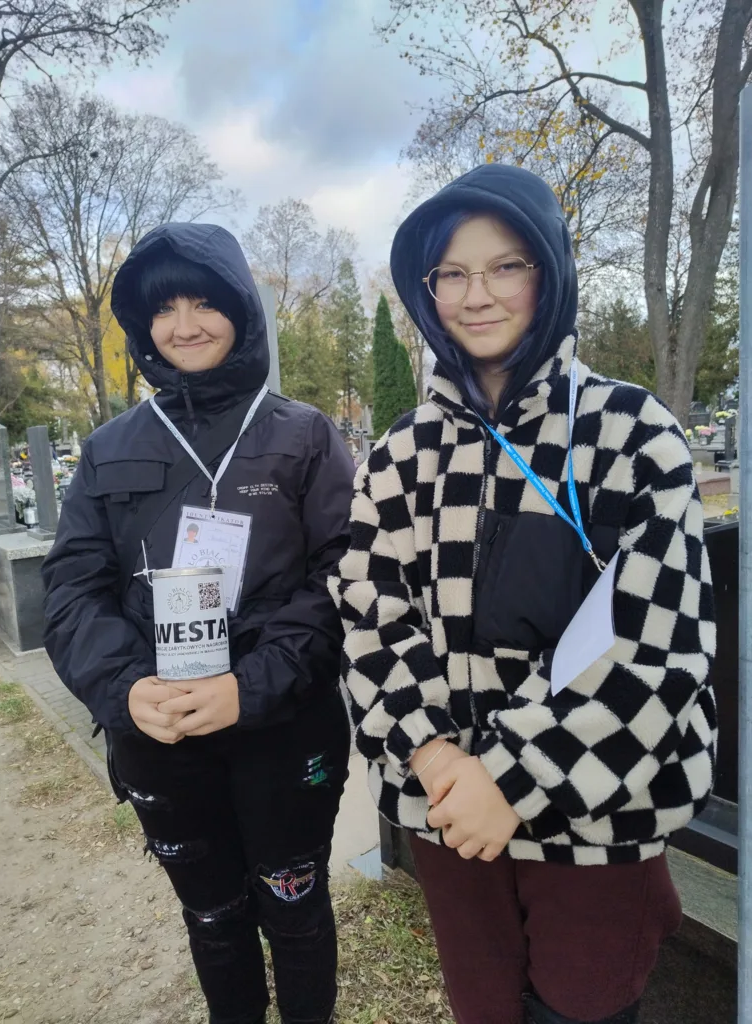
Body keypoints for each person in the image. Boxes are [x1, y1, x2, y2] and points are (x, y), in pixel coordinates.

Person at [329, 165, 716, 1024]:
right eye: (451, 273)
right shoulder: (398, 455)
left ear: (550, 271)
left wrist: (509, 779)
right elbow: (368, 616)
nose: (477, 295)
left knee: (586, 1002)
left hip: (596, 810)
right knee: (484, 1004)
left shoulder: (631, 435)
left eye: (506, 265)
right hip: (447, 811)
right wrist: (438, 759)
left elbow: (656, 644)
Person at [42, 223, 355, 1024]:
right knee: (213, 918)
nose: (183, 325)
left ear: (241, 310)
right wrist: (123, 688)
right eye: (163, 309)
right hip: (163, 733)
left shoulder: (305, 435)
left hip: (283, 729)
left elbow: (343, 577)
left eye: (204, 303)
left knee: (295, 907)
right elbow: (73, 587)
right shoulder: (107, 448)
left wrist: (251, 686)